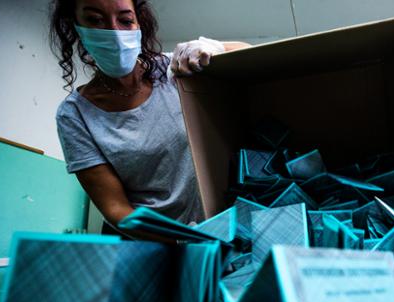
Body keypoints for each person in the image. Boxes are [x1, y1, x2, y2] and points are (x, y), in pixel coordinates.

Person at [49, 0, 249, 233]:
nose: (113, 32)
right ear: (74, 26)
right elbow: (117, 209)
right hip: (150, 241)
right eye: (95, 20)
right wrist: (181, 240)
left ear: (138, 24)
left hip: (225, 225)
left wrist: (217, 48)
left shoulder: (174, 69)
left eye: (125, 21)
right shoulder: (75, 114)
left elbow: (260, 58)